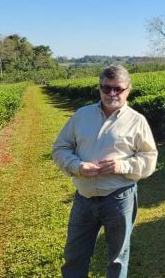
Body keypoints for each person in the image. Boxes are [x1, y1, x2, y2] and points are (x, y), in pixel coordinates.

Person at [52, 64, 158, 278]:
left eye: (118, 89)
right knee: (74, 256)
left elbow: (149, 159)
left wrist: (122, 166)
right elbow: (60, 148)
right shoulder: (81, 116)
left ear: (128, 89)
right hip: (84, 198)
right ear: (99, 88)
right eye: (106, 88)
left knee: (117, 259)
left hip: (119, 199)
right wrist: (77, 166)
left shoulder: (137, 121)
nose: (111, 93)